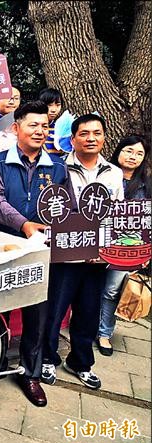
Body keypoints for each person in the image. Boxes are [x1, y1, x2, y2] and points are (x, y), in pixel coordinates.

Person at [0, 101, 71, 407]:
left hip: (40, 253)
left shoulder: (58, 168)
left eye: (44, 125)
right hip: (2, 248)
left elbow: (67, 208)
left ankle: (30, 373)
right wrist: (24, 225)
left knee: (37, 313)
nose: (39, 130)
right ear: (16, 128)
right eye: (32, 125)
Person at [41, 114, 124, 391]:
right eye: (84, 134)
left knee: (88, 310)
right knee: (55, 309)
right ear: (73, 139)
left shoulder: (112, 172)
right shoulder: (59, 168)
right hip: (67, 253)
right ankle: (48, 358)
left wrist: (108, 248)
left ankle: (80, 362)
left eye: (97, 133)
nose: (91, 138)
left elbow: (117, 211)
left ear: (104, 138)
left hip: (99, 255)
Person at [97, 136, 151, 356]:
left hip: (125, 248)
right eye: (129, 151)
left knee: (111, 291)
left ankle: (104, 333)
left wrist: (146, 250)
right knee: (88, 287)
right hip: (96, 240)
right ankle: (83, 325)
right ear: (119, 150)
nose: (133, 157)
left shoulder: (147, 185)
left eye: (139, 154)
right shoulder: (104, 174)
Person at [38, 88, 63, 156]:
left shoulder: (62, 127)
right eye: (49, 105)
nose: (54, 110)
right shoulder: (32, 126)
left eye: (58, 105)